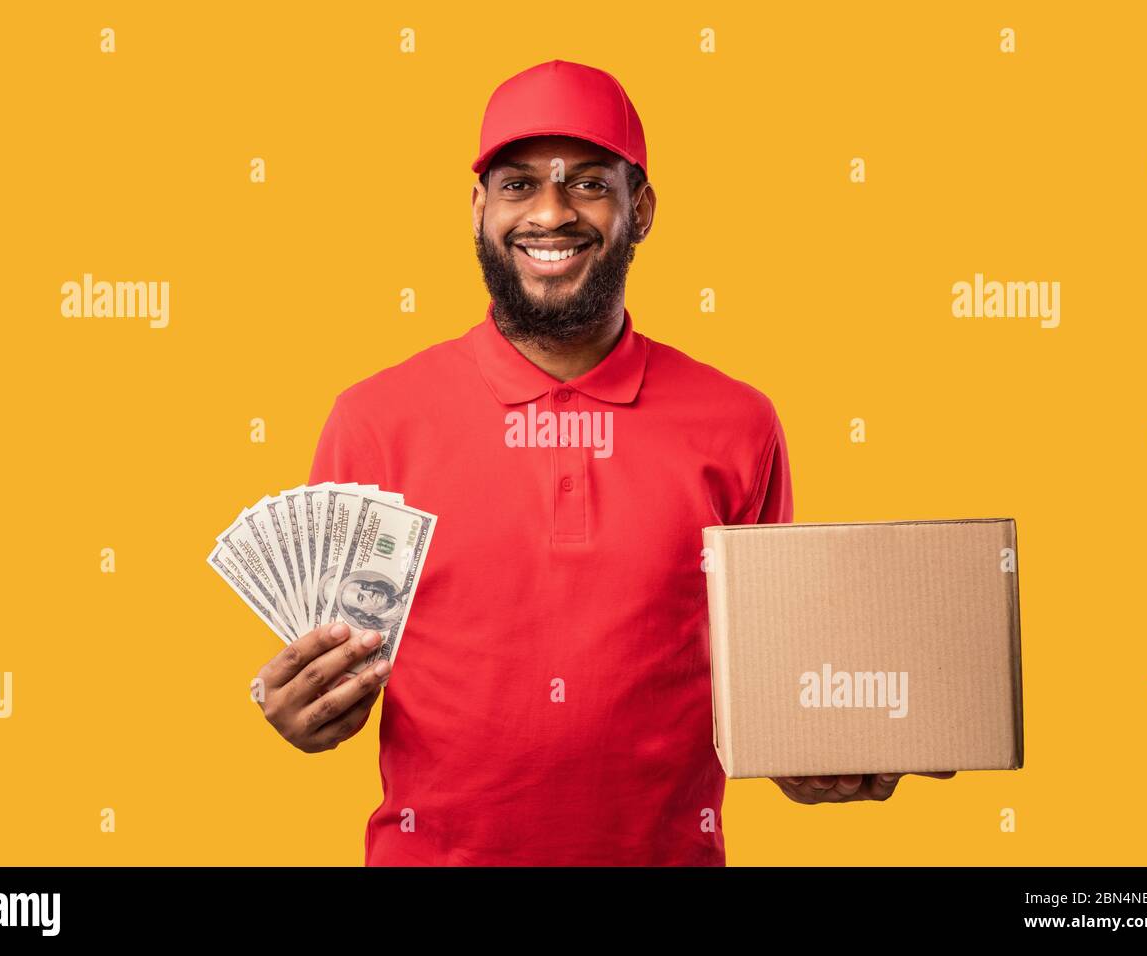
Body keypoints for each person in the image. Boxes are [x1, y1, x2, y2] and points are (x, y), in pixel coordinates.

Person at [254, 59, 953, 865]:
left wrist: (811, 754)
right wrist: (296, 712)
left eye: (588, 184)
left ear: (641, 208)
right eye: (518, 185)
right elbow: (325, 677)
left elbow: (762, 683)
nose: (550, 213)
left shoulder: (739, 422)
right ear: (479, 208)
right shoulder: (375, 420)